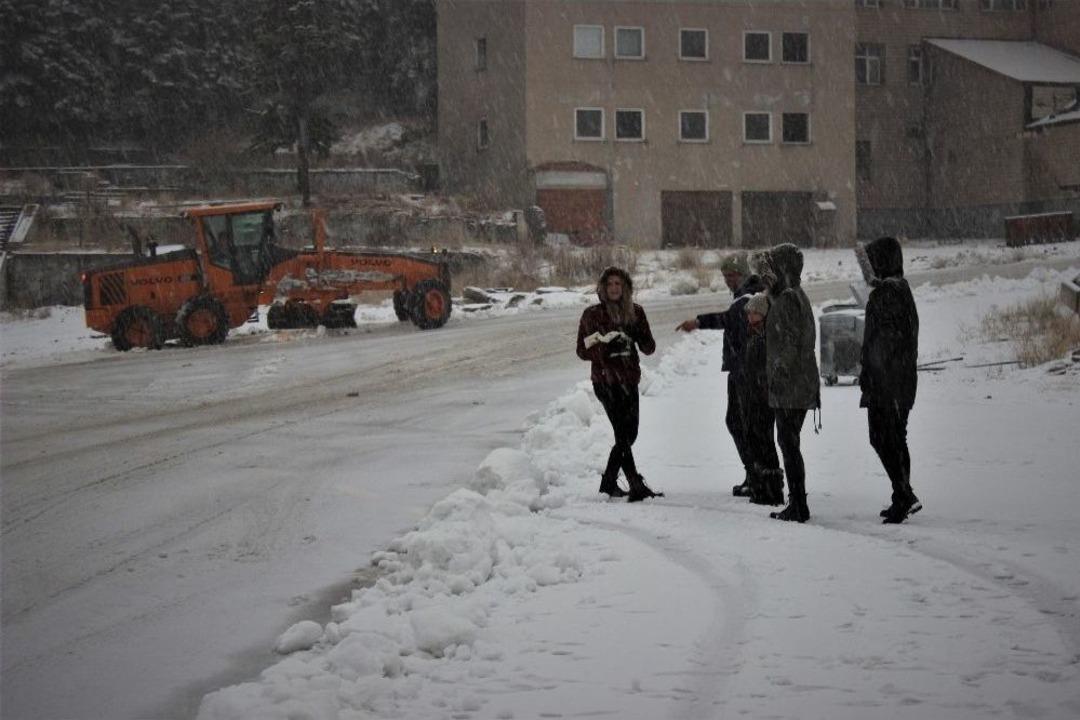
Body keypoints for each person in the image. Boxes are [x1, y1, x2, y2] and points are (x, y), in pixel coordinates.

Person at [675, 253, 765, 496]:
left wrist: (698, 322)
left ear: (743, 274)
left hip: (746, 371)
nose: (728, 280)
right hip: (743, 369)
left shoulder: (748, 298)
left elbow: (727, 318)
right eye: (725, 276)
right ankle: (755, 474)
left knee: (741, 423)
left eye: (732, 275)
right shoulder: (749, 294)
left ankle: (756, 475)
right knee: (741, 423)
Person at [577, 266, 663, 502]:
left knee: (629, 434)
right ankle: (634, 483)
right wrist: (605, 349)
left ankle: (609, 483)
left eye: (618, 284)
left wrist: (638, 333)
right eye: (610, 284)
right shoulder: (592, 314)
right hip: (605, 381)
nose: (614, 288)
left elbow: (649, 348)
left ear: (626, 287)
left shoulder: (636, 312)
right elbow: (582, 350)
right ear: (602, 288)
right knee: (622, 434)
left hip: (629, 379)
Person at [856, 236, 922, 524]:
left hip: (887, 384)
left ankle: (904, 493)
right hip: (902, 380)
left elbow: (880, 344)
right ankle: (901, 493)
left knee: (883, 438)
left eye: (871, 262)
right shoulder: (901, 289)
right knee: (895, 438)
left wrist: (871, 375)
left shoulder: (885, 295)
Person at [755, 244, 820, 523]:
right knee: (789, 442)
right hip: (798, 382)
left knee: (789, 443)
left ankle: (798, 504)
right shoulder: (794, 295)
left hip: (792, 385)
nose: (766, 274)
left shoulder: (788, 299)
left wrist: (778, 374)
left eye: (771, 267)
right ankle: (797, 501)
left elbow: (791, 343)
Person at [742, 293, 785, 505]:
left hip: (764, 399)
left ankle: (770, 489)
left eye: (755, 312)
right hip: (754, 397)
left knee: (764, 442)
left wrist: (762, 388)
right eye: (749, 312)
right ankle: (761, 486)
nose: (750, 316)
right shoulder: (754, 334)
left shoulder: (767, 337)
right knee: (755, 440)